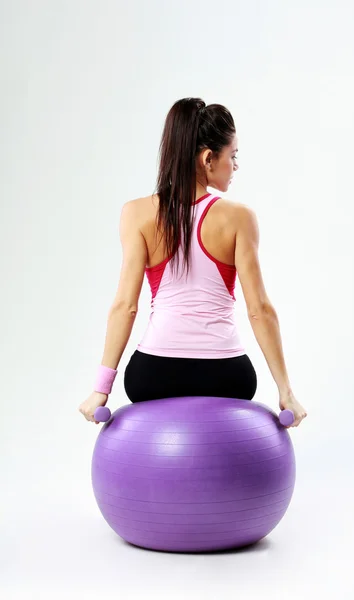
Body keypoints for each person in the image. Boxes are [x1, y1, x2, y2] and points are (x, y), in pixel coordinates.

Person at [78, 97, 307, 428]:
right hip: (226, 375)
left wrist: (101, 390)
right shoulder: (239, 218)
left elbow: (125, 307)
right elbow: (259, 309)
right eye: (233, 155)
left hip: (153, 374)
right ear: (208, 158)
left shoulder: (136, 214)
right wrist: (286, 392)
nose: (236, 165)